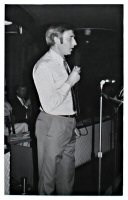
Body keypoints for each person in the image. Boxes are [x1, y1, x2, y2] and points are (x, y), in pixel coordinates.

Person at [33, 24, 81, 195]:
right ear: (55, 39)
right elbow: (50, 104)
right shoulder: (44, 66)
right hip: (52, 122)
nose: (74, 43)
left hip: (66, 123)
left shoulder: (63, 63)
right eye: (70, 38)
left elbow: (65, 98)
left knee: (66, 180)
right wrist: (70, 81)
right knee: (47, 181)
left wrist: (71, 121)